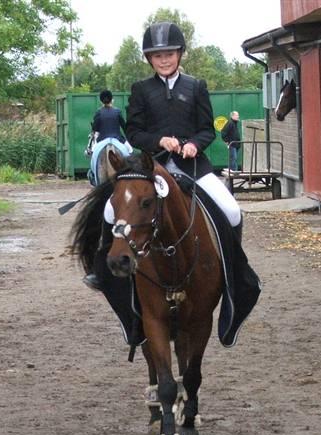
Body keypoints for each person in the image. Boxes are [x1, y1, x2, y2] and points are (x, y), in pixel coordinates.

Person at [84, 21, 242, 289]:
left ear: (179, 54)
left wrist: (193, 144)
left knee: (232, 210)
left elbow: (206, 130)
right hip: (151, 168)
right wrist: (159, 140)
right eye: (158, 55)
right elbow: (133, 132)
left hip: (193, 167)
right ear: (149, 59)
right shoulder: (141, 89)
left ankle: (234, 270)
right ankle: (104, 272)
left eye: (169, 54)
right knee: (111, 210)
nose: (164, 60)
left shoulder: (196, 86)